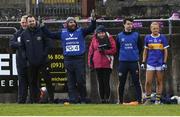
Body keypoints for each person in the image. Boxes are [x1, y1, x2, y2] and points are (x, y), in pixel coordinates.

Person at [42, 13, 96, 103]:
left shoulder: (81, 31)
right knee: (70, 82)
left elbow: (91, 28)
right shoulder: (63, 33)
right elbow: (50, 35)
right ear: (67, 24)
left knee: (80, 80)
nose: (72, 24)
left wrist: (93, 21)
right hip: (68, 60)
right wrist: (43, 27)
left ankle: (83, 98)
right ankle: (73, 99)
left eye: (73, 22)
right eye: (70, 22)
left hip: (79, 59)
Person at [21, 15, 54, 103]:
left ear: (35, 21)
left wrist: (44, 55)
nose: (31, 22)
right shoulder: (24, 34)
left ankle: (51, 100)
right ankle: (34, 100)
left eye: (33, 21)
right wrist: (26, 58)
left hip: (43, 61)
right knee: (32, 82)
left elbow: (48, 44)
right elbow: (22, 48)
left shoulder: (42, 31)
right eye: (29, 21)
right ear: (27, 23)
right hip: (31, 63)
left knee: (48, 80)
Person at [141, 22, 169, 105]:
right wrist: (143, 61)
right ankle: (148, 99)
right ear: (151, 29)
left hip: (160, 63)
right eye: (154, 28)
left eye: (157, 28)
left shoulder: (163, 37)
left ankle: (157, 100)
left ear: (159, 29)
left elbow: (166, 51)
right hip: (150, 63)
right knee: (148, 82)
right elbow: (145, 51)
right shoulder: (147, 37)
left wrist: (164, 62)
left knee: (159, 82)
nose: (155, 30)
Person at [116, 18, 143, 104]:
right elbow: (117, 48)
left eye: (131, 24)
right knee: (121, 82)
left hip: (133, 62)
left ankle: (139, 100)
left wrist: (134, 56)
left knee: (136, 82)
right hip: (123, 62)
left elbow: (140, 47)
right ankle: (120, 101)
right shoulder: (119, 36)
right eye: (127, 24)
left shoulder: (136, 35)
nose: (129, 25)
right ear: (124, 25)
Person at [88, 25, 116, 103]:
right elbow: (90, 52)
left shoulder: (110, 38)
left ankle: (107, 99)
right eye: (99, 33)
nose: (101, 34)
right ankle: (102, 99)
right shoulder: (94, 39)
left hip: (107, 63)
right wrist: (90, 63)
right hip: (97, 63)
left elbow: (114, 50)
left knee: (106, 82)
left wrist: (105, 51)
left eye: (102, 33)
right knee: (100, 82)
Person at [9, 15, 28, 103]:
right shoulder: (17, 33)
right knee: (22, 82)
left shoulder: (33, 32)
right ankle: (21, 101)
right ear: (20, 23)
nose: (24, 24)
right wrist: (21, 44)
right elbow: (12, 43)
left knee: (33, 82)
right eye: (22, 22)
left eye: (25, 22)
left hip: (32, 61)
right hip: (21, 61)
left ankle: (34, 100)